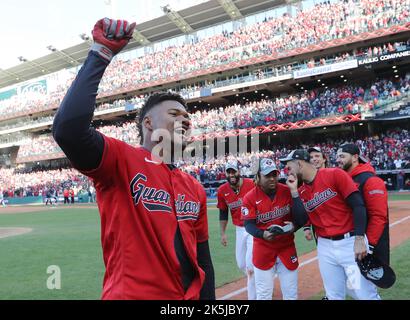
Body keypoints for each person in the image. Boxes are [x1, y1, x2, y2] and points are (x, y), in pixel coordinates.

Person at [52, 18, 215, 300]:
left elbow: (203, 261)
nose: (186, 120)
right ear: (148, 124)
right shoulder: (121, 160)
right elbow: (68, 130)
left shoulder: (195, 187)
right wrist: (100, 55)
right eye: (175, 114)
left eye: (188, 116)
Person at [280, 149, 379, 300]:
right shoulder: (300, 190)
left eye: (289, 167)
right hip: (325, 247)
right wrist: (294, 193)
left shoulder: (334, 174)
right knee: (333, 295)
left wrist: (359, 238)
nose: (287, 171)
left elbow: (358, 205)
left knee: (365, 294)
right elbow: (301, 220)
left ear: (299, 164)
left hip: (350, 244)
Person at [336, 143, 390, 299]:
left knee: (366, 293)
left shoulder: (371, 180)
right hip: (350, 245)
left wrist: (369, 245)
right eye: (337, 156)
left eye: (342, 156)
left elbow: (378, 216)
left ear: (354, 157)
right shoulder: (343, 179)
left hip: (364, 247)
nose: (338, 160)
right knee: (352, 288)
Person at [241, 158, 298, 300]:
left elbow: (299, 215)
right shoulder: (249, 197)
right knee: (264, 294)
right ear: (258, 176)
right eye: (267, 175)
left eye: (274, 174)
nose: (272, 179)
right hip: (263, 249)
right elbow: (248, 225)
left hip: (287, 247)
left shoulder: (287, 190)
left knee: (291, 293)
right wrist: (262, 234)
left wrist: (294, 226)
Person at [217, 161, 256, 300]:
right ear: (226, 174)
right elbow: (223, 213)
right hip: (239, 229)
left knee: (250, 267)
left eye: (234, 171)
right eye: (229, 172)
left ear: (239, 171)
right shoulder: (222, 190)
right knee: (241, 264)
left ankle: (254, 295)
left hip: (253, 227)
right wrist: (222, 233)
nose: (231, 174)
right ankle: (260, 279)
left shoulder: (251, 184)